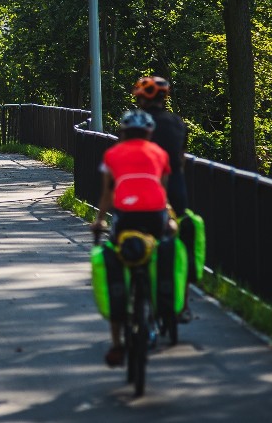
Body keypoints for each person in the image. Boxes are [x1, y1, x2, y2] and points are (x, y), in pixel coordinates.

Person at [90, 109, 171, 368]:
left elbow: (107, 195)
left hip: (126, 216)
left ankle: (117, 344)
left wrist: (99, 220)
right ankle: (162, 305)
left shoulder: (112, 154)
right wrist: (169, 218)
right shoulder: (160, 154)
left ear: (123, 132)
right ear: (149, 133)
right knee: (158, 250)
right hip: (156, 216)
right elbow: (162, 189)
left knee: (117, 259)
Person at [132, 75, 194, 322]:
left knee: (127, 232)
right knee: (181, 240)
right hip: (175, 188)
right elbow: (181, 158)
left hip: (140, 189)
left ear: (141, 99)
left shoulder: (135, 124)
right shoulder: (177, 123)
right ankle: (183, 304)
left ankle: (131, 288)